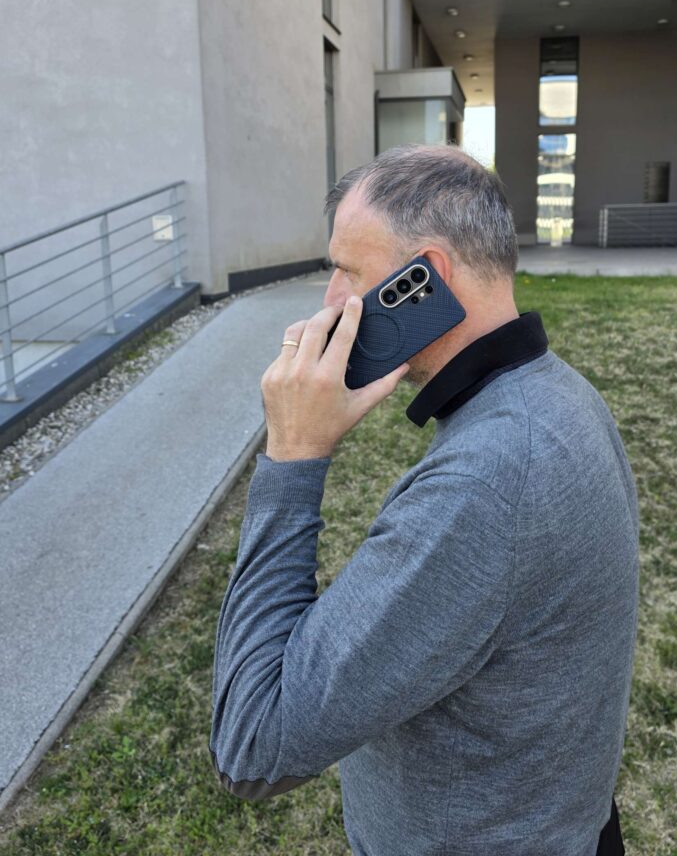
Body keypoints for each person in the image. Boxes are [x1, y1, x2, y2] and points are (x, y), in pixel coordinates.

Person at [209, 143, 639, 856]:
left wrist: (292, 454)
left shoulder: (487, 483)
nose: (330, 301)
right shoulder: (558, 392)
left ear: (424, 279)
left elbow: (251, 745)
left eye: (347, 271)